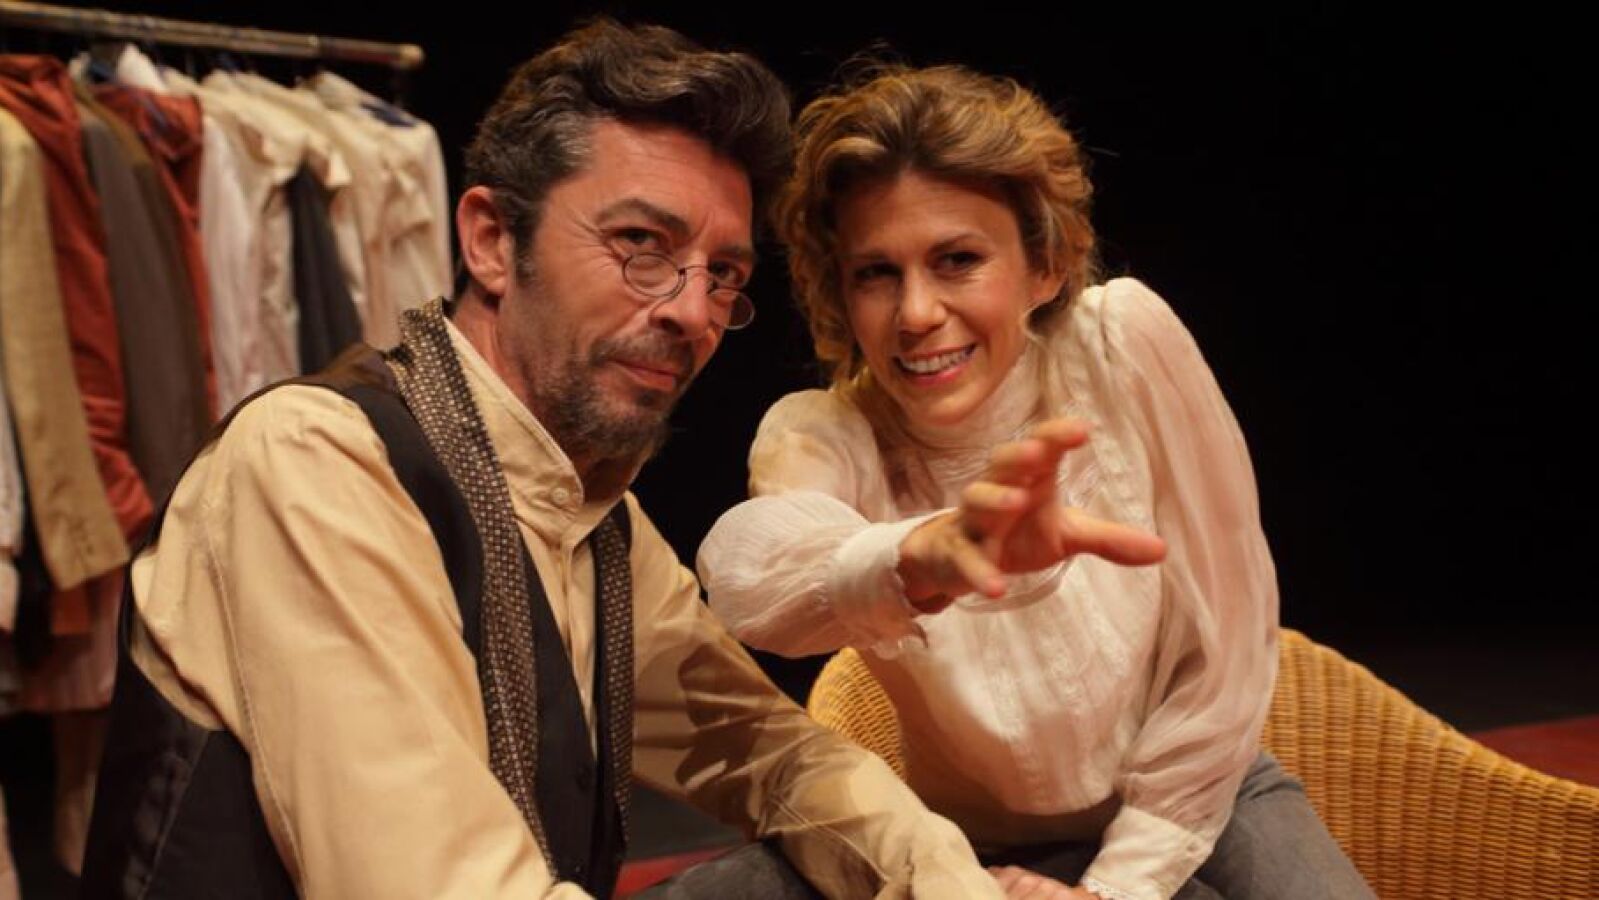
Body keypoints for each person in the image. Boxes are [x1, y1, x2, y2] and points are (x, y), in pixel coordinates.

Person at [79, 23, 1012, 899]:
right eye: (641, 246)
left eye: (722, 275)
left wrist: (949, 880)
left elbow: (771, 754)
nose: (691, 311)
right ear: (492, 241)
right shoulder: (316, 462)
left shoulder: (593, 515)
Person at [698, 63, 1374, 900]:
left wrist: (1114, 888)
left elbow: (1227, 647)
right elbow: (752, 580)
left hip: (1201, 790)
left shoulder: (1122, 347)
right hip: (969, 845)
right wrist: (920, 555)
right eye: (875, 273)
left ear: (1044, 265)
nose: (915, 313)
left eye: (957, 260)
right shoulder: (824, 432)